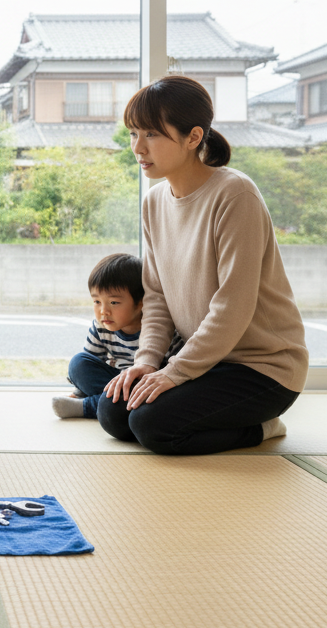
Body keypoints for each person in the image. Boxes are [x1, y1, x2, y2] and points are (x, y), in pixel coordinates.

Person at [101, 75, 308, 454]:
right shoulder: (154, 202)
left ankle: (263, 427)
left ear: (193, 137)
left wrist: (176, 372)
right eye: (133, 133)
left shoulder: (235, 194)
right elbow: (157, 298)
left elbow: (233, 306)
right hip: (205, 361)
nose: (138, 147)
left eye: (152, 134)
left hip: (262, 368)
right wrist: (147, 363)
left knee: (151, 425)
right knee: (113, 412)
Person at [54, 253, 183, 421]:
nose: (103, 311)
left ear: (140, 302)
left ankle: (87, 406)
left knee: (156, 395)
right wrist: (80, 391)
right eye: (97, 302)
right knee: (79, 362)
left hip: (144, 386)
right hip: (114, 380)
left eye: (113, 302)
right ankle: (99, 401)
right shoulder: (101, 327)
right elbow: (91, 361)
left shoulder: (160, 330)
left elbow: (172, 374)